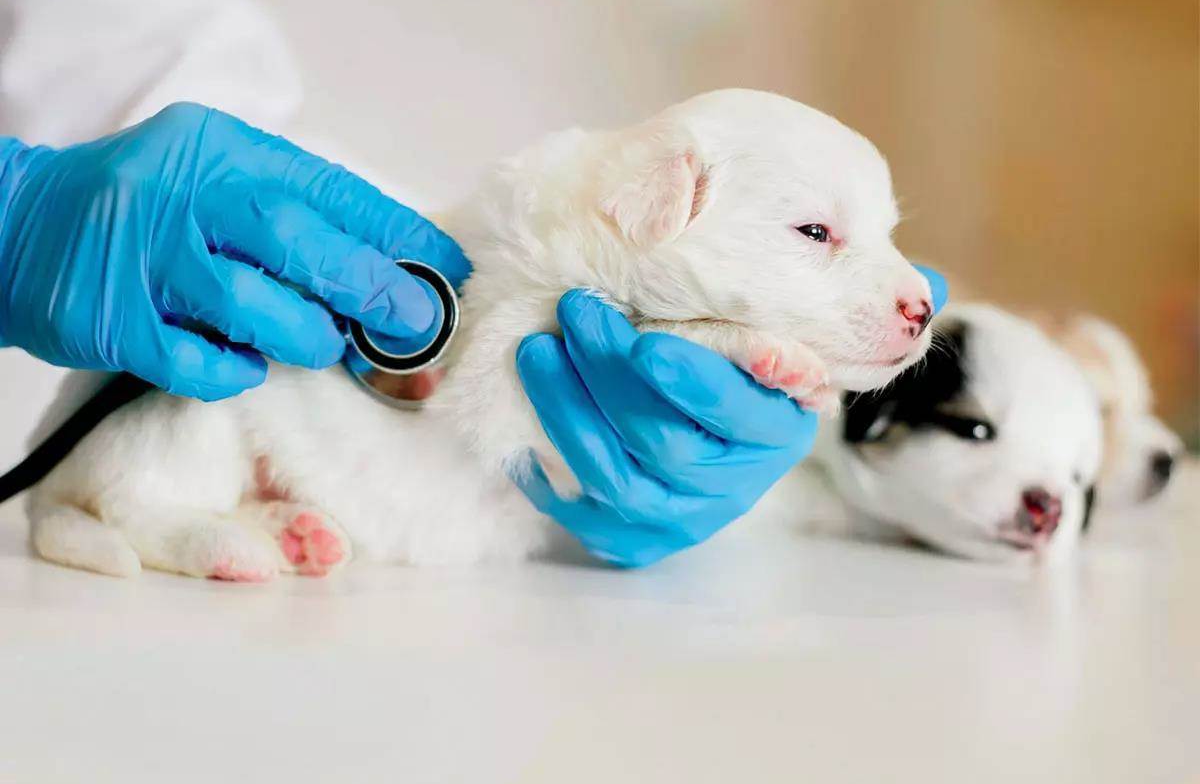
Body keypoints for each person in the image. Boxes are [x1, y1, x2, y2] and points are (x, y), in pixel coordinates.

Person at [0, 104, 945, 568]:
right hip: (188, 407)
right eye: (818, 236)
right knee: (196, 385)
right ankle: (136, 515)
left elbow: (161, 67)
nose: (911, 294)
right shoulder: (581, 241)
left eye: (884, 234)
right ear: (666, 198)